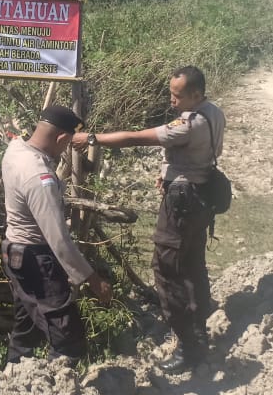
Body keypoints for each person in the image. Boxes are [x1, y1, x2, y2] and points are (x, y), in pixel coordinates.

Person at [71, 65, 226, 373]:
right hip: (201, 194)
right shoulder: (213, 111)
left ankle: (188, 346)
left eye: (178, 96)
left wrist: (92, 138)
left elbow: (134, 138)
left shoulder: (189, 125)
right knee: (193, 264)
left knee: (167, 270)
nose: (172, 100)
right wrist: (168, 173)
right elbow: (195, 154)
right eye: (171, 93)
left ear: (195, 94)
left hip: (183, 204)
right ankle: (198, 327)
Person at [1, 105, 114, 366]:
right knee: (68, 339)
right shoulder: (38, 176)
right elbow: (59, 240)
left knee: (26, 326)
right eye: (66, 145)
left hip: (14, 251)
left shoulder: (16, 149)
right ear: (62, 138)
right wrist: (93, 280)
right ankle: (58, 383)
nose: (64, 151)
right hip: (35, 259)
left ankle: (12, 376)